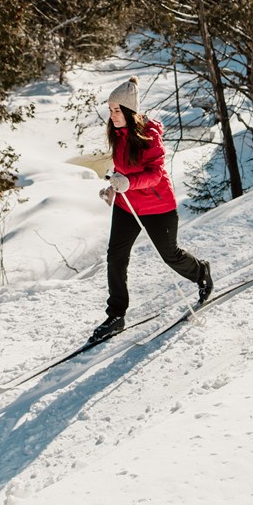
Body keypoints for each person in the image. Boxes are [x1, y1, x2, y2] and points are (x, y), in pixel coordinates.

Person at [89, 76, 212, 343]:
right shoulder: (117, 135)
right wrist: (113, 187)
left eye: (117, 110)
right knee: (116, 257)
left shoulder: (149, 136)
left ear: (130, 111)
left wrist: (128, 182)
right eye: (110, 110)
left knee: (170, 254)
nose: (112, 115)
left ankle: (201, 272)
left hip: (158, 207)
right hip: (127, 205)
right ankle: (116, 315)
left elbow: (155, 174)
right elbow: (122, 169)